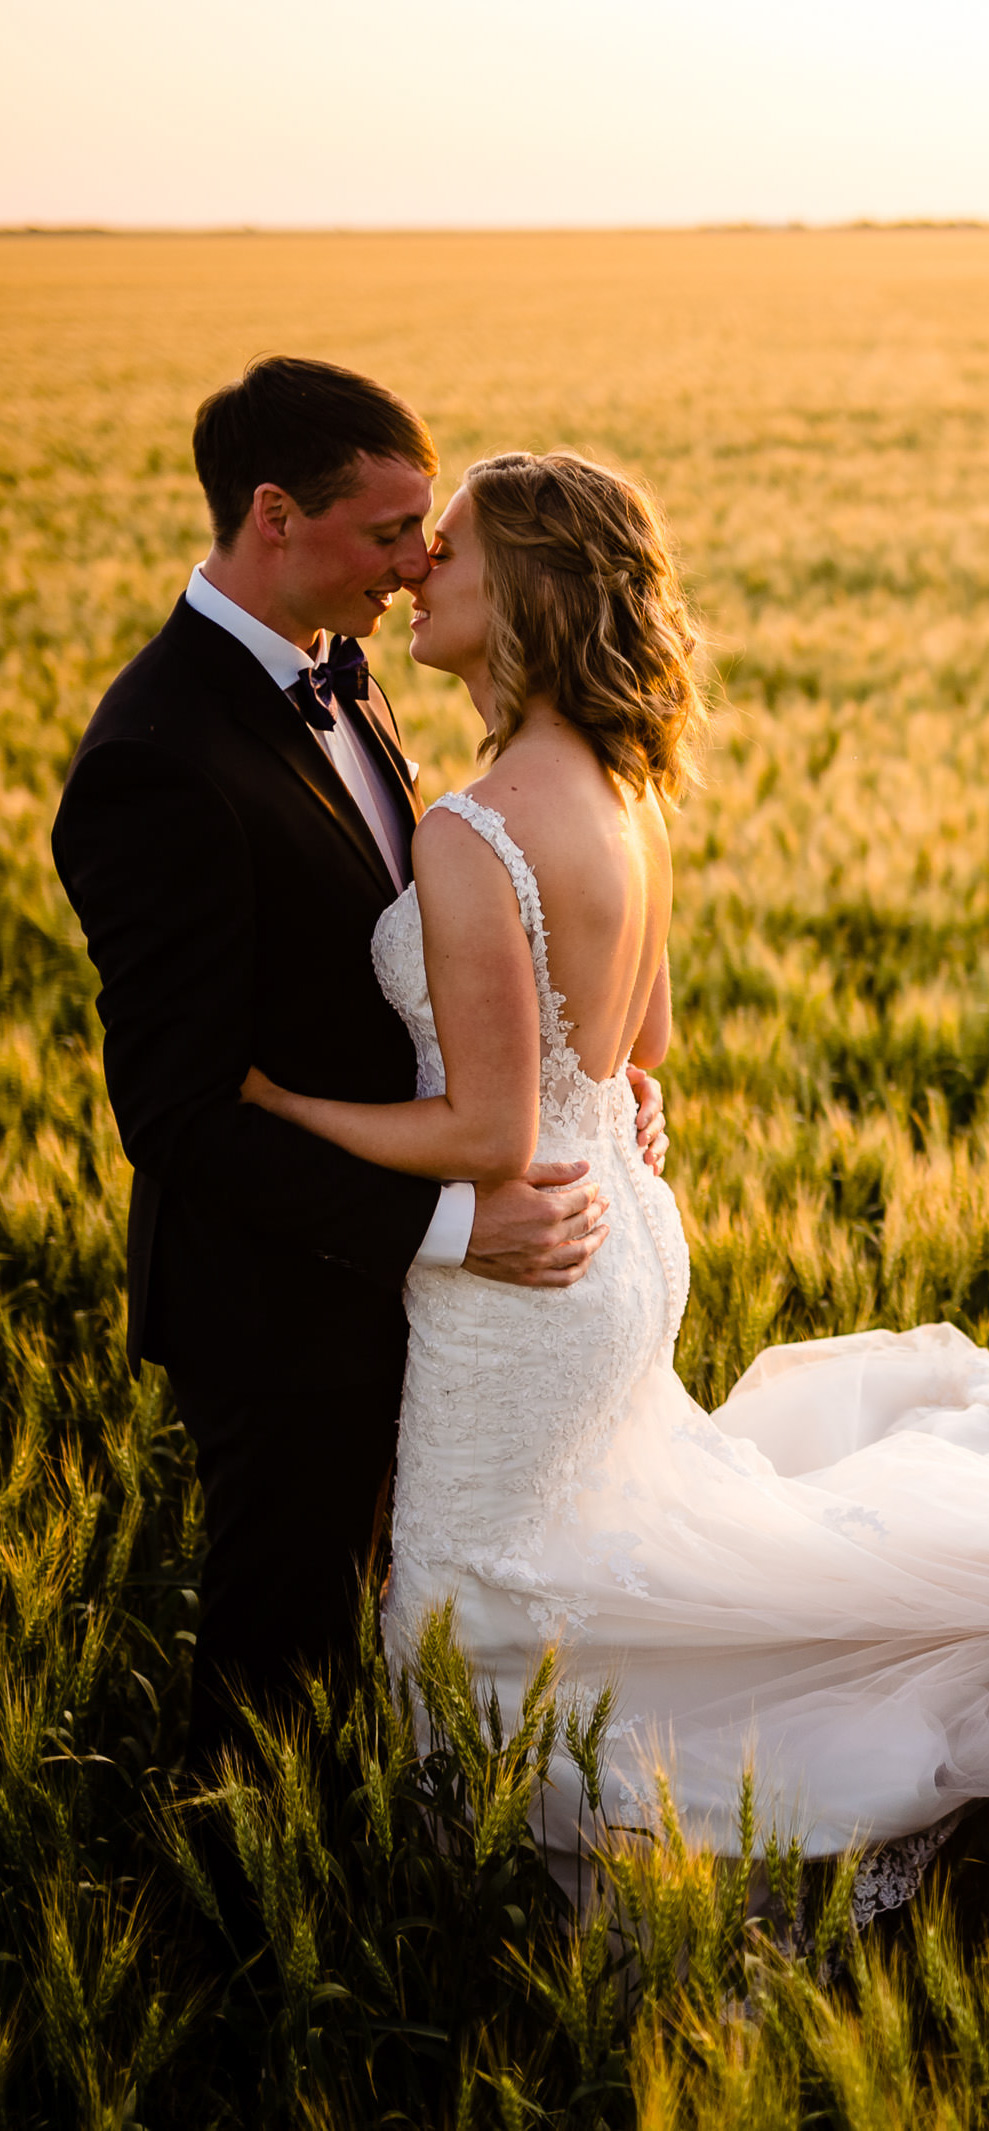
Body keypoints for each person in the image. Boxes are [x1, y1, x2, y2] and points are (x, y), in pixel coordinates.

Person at [242, 443, 989, 1894]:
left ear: (531, 595)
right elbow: (645, 1050)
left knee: (476, 1599)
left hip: (529, 1271)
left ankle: (500, 1887)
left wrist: (281, 1102)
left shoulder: (474, 828)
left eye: (455, 550)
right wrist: (600, 1110)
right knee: (579, 1559)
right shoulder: (625, 789)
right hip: (619, 1234)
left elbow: (492, 1143)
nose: (423, 569)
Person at [51, 358, 668, 1772]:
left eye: (429, 540)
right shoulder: (159, 757)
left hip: (450, 1269)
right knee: (276, 1679)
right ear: (276, 515)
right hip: (283, 1309)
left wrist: (602, 1078)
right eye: (393, 533)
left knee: (414, 1653)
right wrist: (455, 1222)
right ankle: (243, 1963)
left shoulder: (348, 676)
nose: (416, 566)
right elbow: (184, 1118)